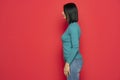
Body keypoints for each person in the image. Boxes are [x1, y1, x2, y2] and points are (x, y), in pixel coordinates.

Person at [61, 2, 83, 80]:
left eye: (64, 11)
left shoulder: (73, 27)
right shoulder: (72, 26)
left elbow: (75, 47)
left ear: (69, 12)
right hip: (72, 62)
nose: (62, 12)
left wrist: (67, 63)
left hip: (73, 62)